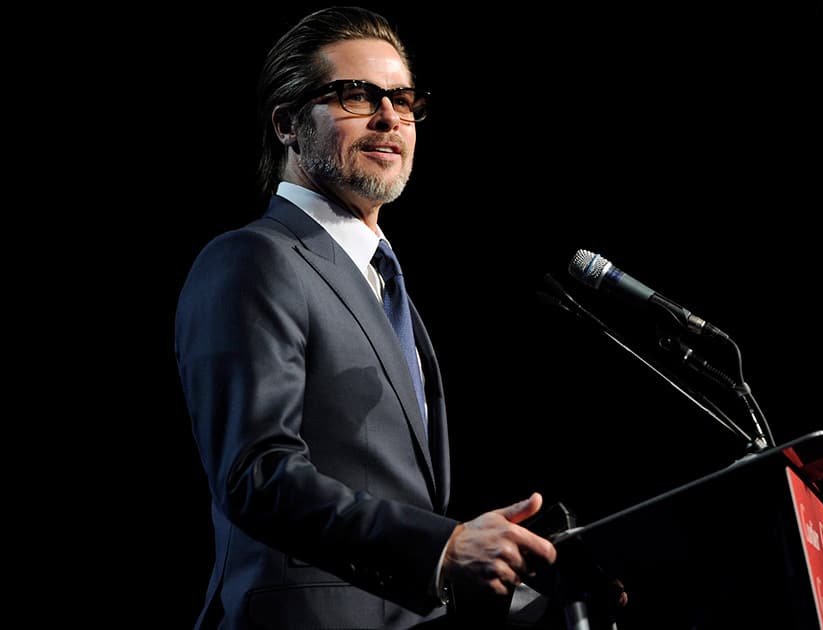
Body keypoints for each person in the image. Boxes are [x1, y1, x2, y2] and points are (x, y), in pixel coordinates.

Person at [174, 6, 560, 629]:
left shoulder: (381, 282)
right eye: (357, 95)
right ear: (287, 124)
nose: (389, 117)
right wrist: (441, 545)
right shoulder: (251, 259)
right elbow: (256, 474)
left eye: (403, 100)